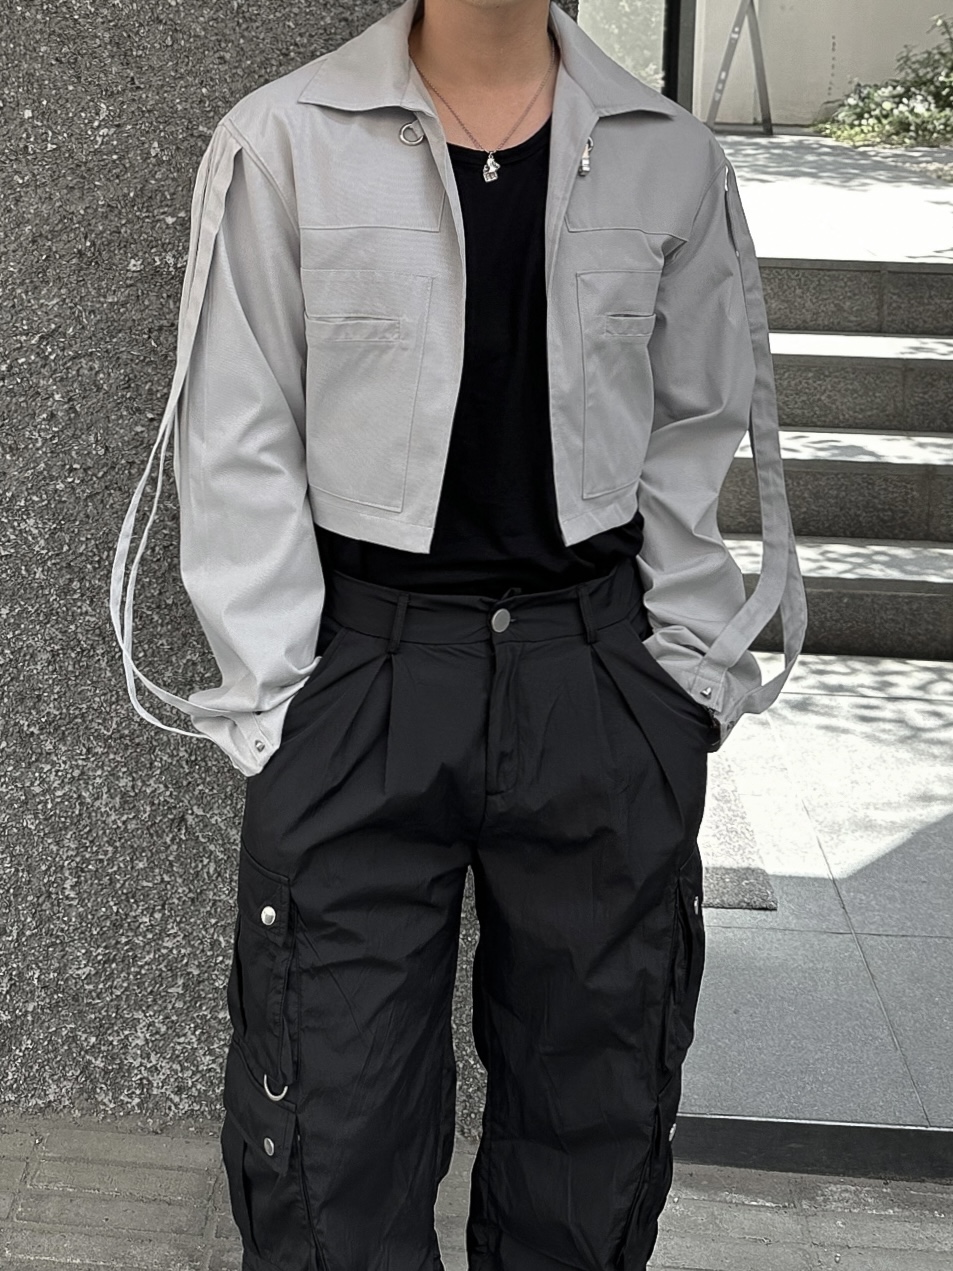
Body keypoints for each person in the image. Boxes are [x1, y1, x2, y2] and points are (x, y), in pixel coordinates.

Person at [110, 0, 806, 1267]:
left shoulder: (666, 153)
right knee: (328, 1136)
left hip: (593, 676)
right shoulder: (285, 138)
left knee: (594, 1126)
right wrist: (279, 695)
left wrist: (680, 677)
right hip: (364, 675)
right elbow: (236, 431)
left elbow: (693, 422)